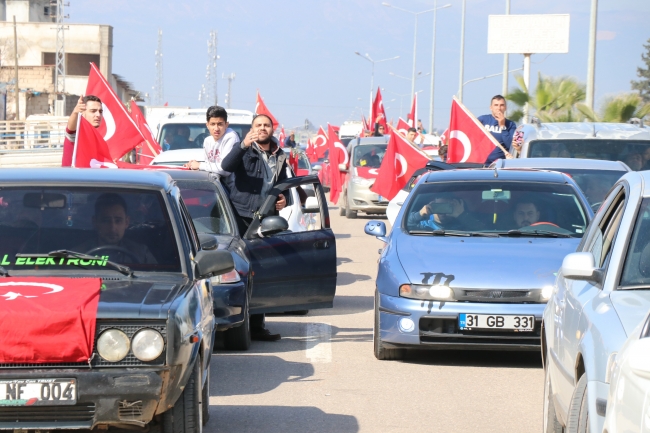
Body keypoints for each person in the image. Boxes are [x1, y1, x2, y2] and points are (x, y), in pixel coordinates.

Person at [221, 114, 288, 342]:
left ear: (272, 129)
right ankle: (235, 324)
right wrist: (243, 145)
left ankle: (257, 326)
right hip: (241, 218)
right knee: (240, 271)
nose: (262, 128)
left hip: (266, 220)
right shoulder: (244, 151)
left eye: (266, 125)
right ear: (252, 129)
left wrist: (283, 199)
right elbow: (225, 166)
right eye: (258, 125)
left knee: (261, 272)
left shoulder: (280, 155)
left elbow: (284, 185)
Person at [75, 193, 157, 264]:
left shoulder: (142, 254)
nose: (113, 228)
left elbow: (156, 278)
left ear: (127, 222)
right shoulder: (77, 254)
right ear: (95, 222)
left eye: (118, 221)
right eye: (106, 221)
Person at [185, 106, 240, 179]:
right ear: (207, 125)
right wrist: (193, 165)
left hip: (230, 188)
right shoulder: (208, 141)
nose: (216, 128)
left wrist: (199, 165)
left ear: (226, 125)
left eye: (220, 124)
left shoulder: (231, 137)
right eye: (213, 124)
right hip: (215, 183)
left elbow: (225, 169)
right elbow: (209, 167)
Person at [62, 95, 103, 166]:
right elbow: (70, 130)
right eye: (93, 111)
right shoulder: (77, 133)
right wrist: (75, 112)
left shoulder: (96, 138)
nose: (98, 114)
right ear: (82, 113)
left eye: (100, 111)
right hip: (71, 176)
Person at [407, 193, 482, 231]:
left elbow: (480, 230)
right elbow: (404, 226)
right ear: (432, 205)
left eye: (447, 207)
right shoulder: (425, 224)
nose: (443, 212)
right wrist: (419, 214)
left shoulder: (461, 224)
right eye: (440, 207)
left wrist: (461, 215)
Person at [480, 95, 517, 165]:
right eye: (496, 105)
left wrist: (502, 125)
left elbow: (510, 146)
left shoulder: (510, 124)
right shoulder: (483, 120)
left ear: (505, 108)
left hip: (498, 165)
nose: (499, 108)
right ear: (491, 107)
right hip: (481, 163)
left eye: (502, 105)